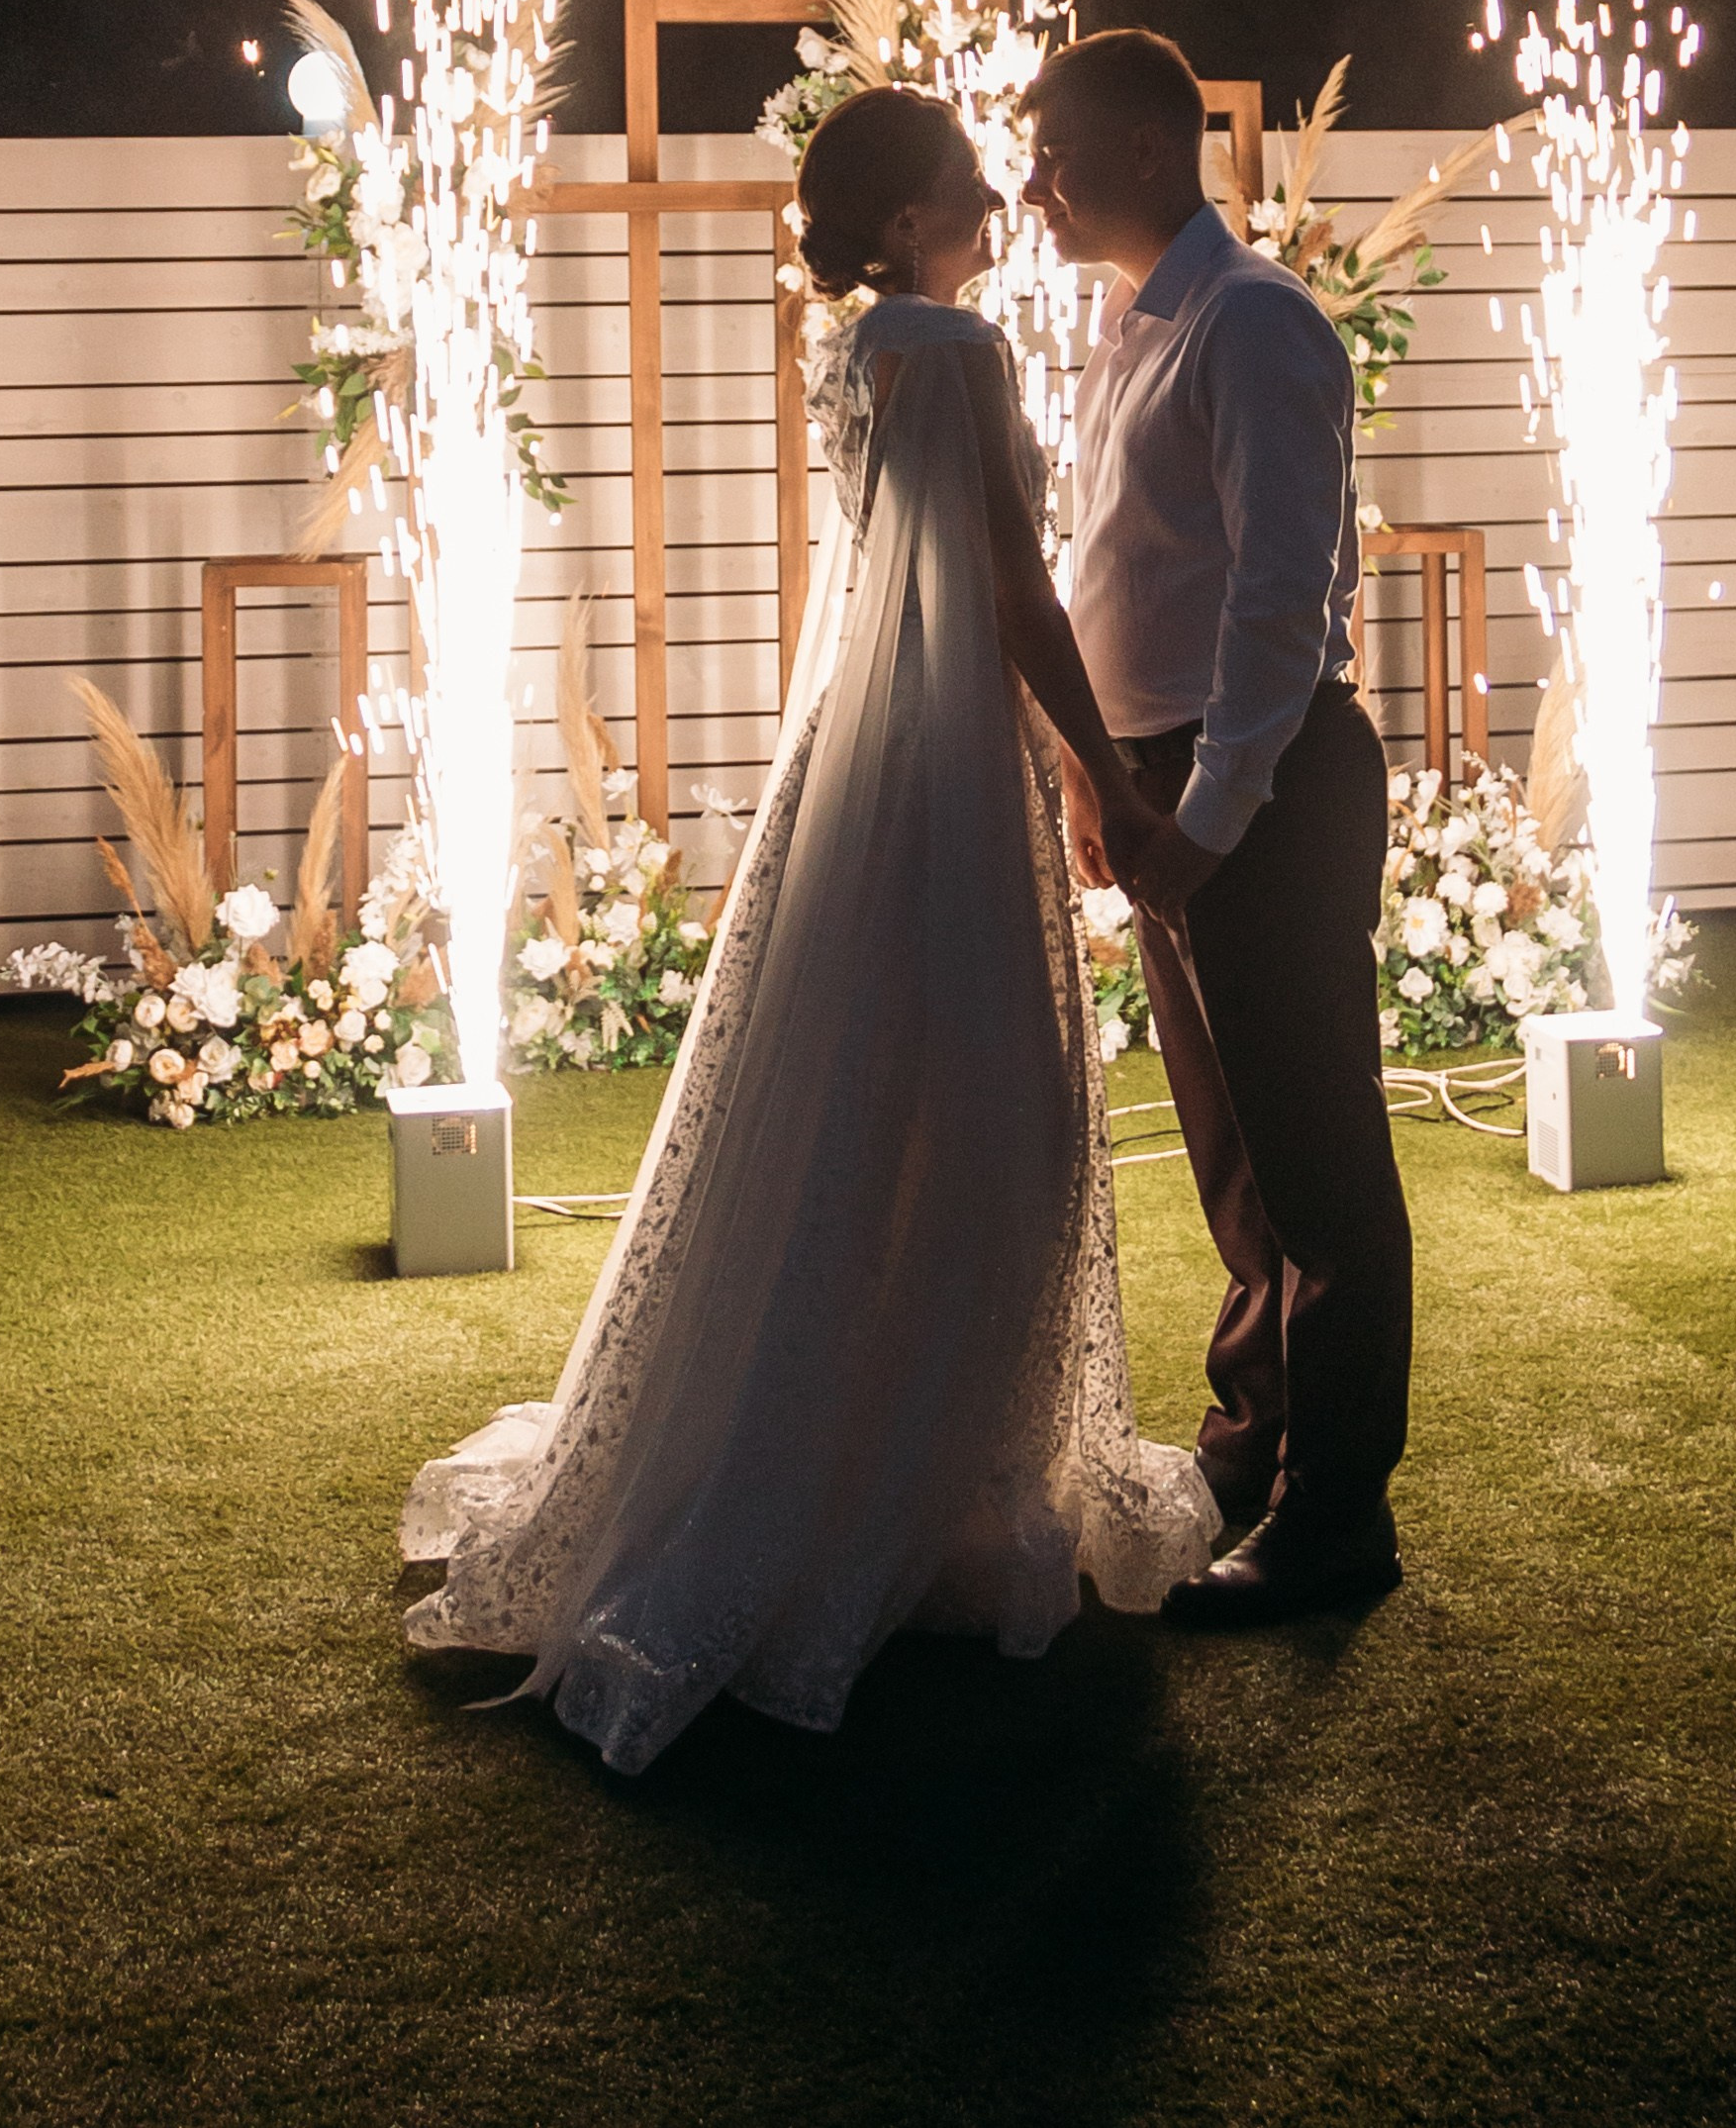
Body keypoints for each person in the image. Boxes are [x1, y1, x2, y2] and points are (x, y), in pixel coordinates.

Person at [400, 86, 1216, 1770]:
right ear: (910, 221)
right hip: (950, 774)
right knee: (1005, 1119)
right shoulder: (954, 351)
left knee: (861, 1108)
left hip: (868, 762)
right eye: (967, 183)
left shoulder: (860, 351)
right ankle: (906, 1501)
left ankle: (879, 1469)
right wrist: (1110, 787)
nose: (1000, 198)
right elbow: (1008, 591)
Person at [1021, 29, 1411, 1629]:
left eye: (1050, 152)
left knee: (1318, 1167)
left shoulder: (1252, 324)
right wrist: (1092, 777)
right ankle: (1252, 1447)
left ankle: (1337, 1523)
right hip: (1161, 781)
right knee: (1236, 1159)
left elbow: (1276, 599)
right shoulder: (1139, 325)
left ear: (1128, 149)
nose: (1031, 185)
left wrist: (1207, 813)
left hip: (1261, 781)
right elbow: (1126, 570)